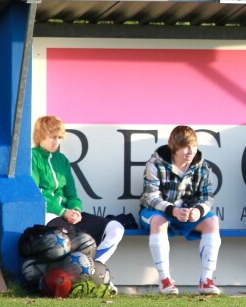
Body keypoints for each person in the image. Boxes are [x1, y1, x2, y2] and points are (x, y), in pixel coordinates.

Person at [31, 116, 125, 266]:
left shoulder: (62, 159)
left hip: (68, 215)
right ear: (40, 136)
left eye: (59, 137)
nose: (56, 142)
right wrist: (63, 212)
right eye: (52, 137)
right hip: (48, 215)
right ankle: (78, 270)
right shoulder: (32, 156)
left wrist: (75, 210)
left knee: (116, 228)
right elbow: (36, 195)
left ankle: (94, 267)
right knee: (78, 239)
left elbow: (72, 194)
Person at [140, 125, 221, 295]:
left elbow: (208, 196)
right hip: (156, 212)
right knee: (159, 221)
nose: (190, 152)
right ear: (174, 148)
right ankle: (165, 280)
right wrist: (173, 210)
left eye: (193, 146)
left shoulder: (203, 166)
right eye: (185, 147)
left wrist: (198, 210)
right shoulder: (154, 163)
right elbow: (150, 197)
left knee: (212, 221)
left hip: (187, 215)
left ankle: (206, 280)